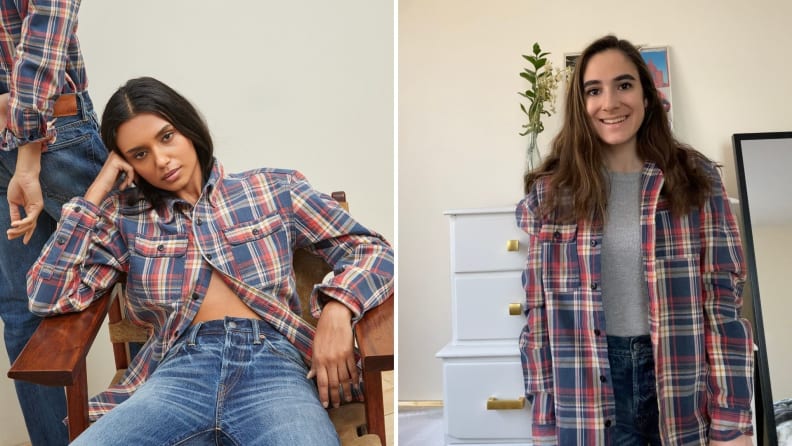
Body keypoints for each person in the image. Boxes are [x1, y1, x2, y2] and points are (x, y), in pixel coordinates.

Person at [26, 76, 394, 445]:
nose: (161, 160)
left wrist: (338, 309)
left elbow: (374, 250)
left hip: (273, 368)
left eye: (166, 136)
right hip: (177, 373)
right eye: (139, 154)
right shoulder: (125, 219)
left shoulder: (271, 188)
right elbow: (48, 296)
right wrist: (95, 194)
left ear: (188, 128)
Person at [515, 35, 753, 446]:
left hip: (681, 389)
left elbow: (722, 303)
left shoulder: (696, 180)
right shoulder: (551, 193)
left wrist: (732, 419)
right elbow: (538, 320)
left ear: (646, 94)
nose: (609, 102)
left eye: (624, 85)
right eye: (594, 90)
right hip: (587, 394)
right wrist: (544, 420)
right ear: (581, 104)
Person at [0, 1, 107, 444]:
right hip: (49, 128)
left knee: (21, 310)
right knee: (147, 268)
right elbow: (47, 26)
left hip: (33, 129)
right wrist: (27, 151)